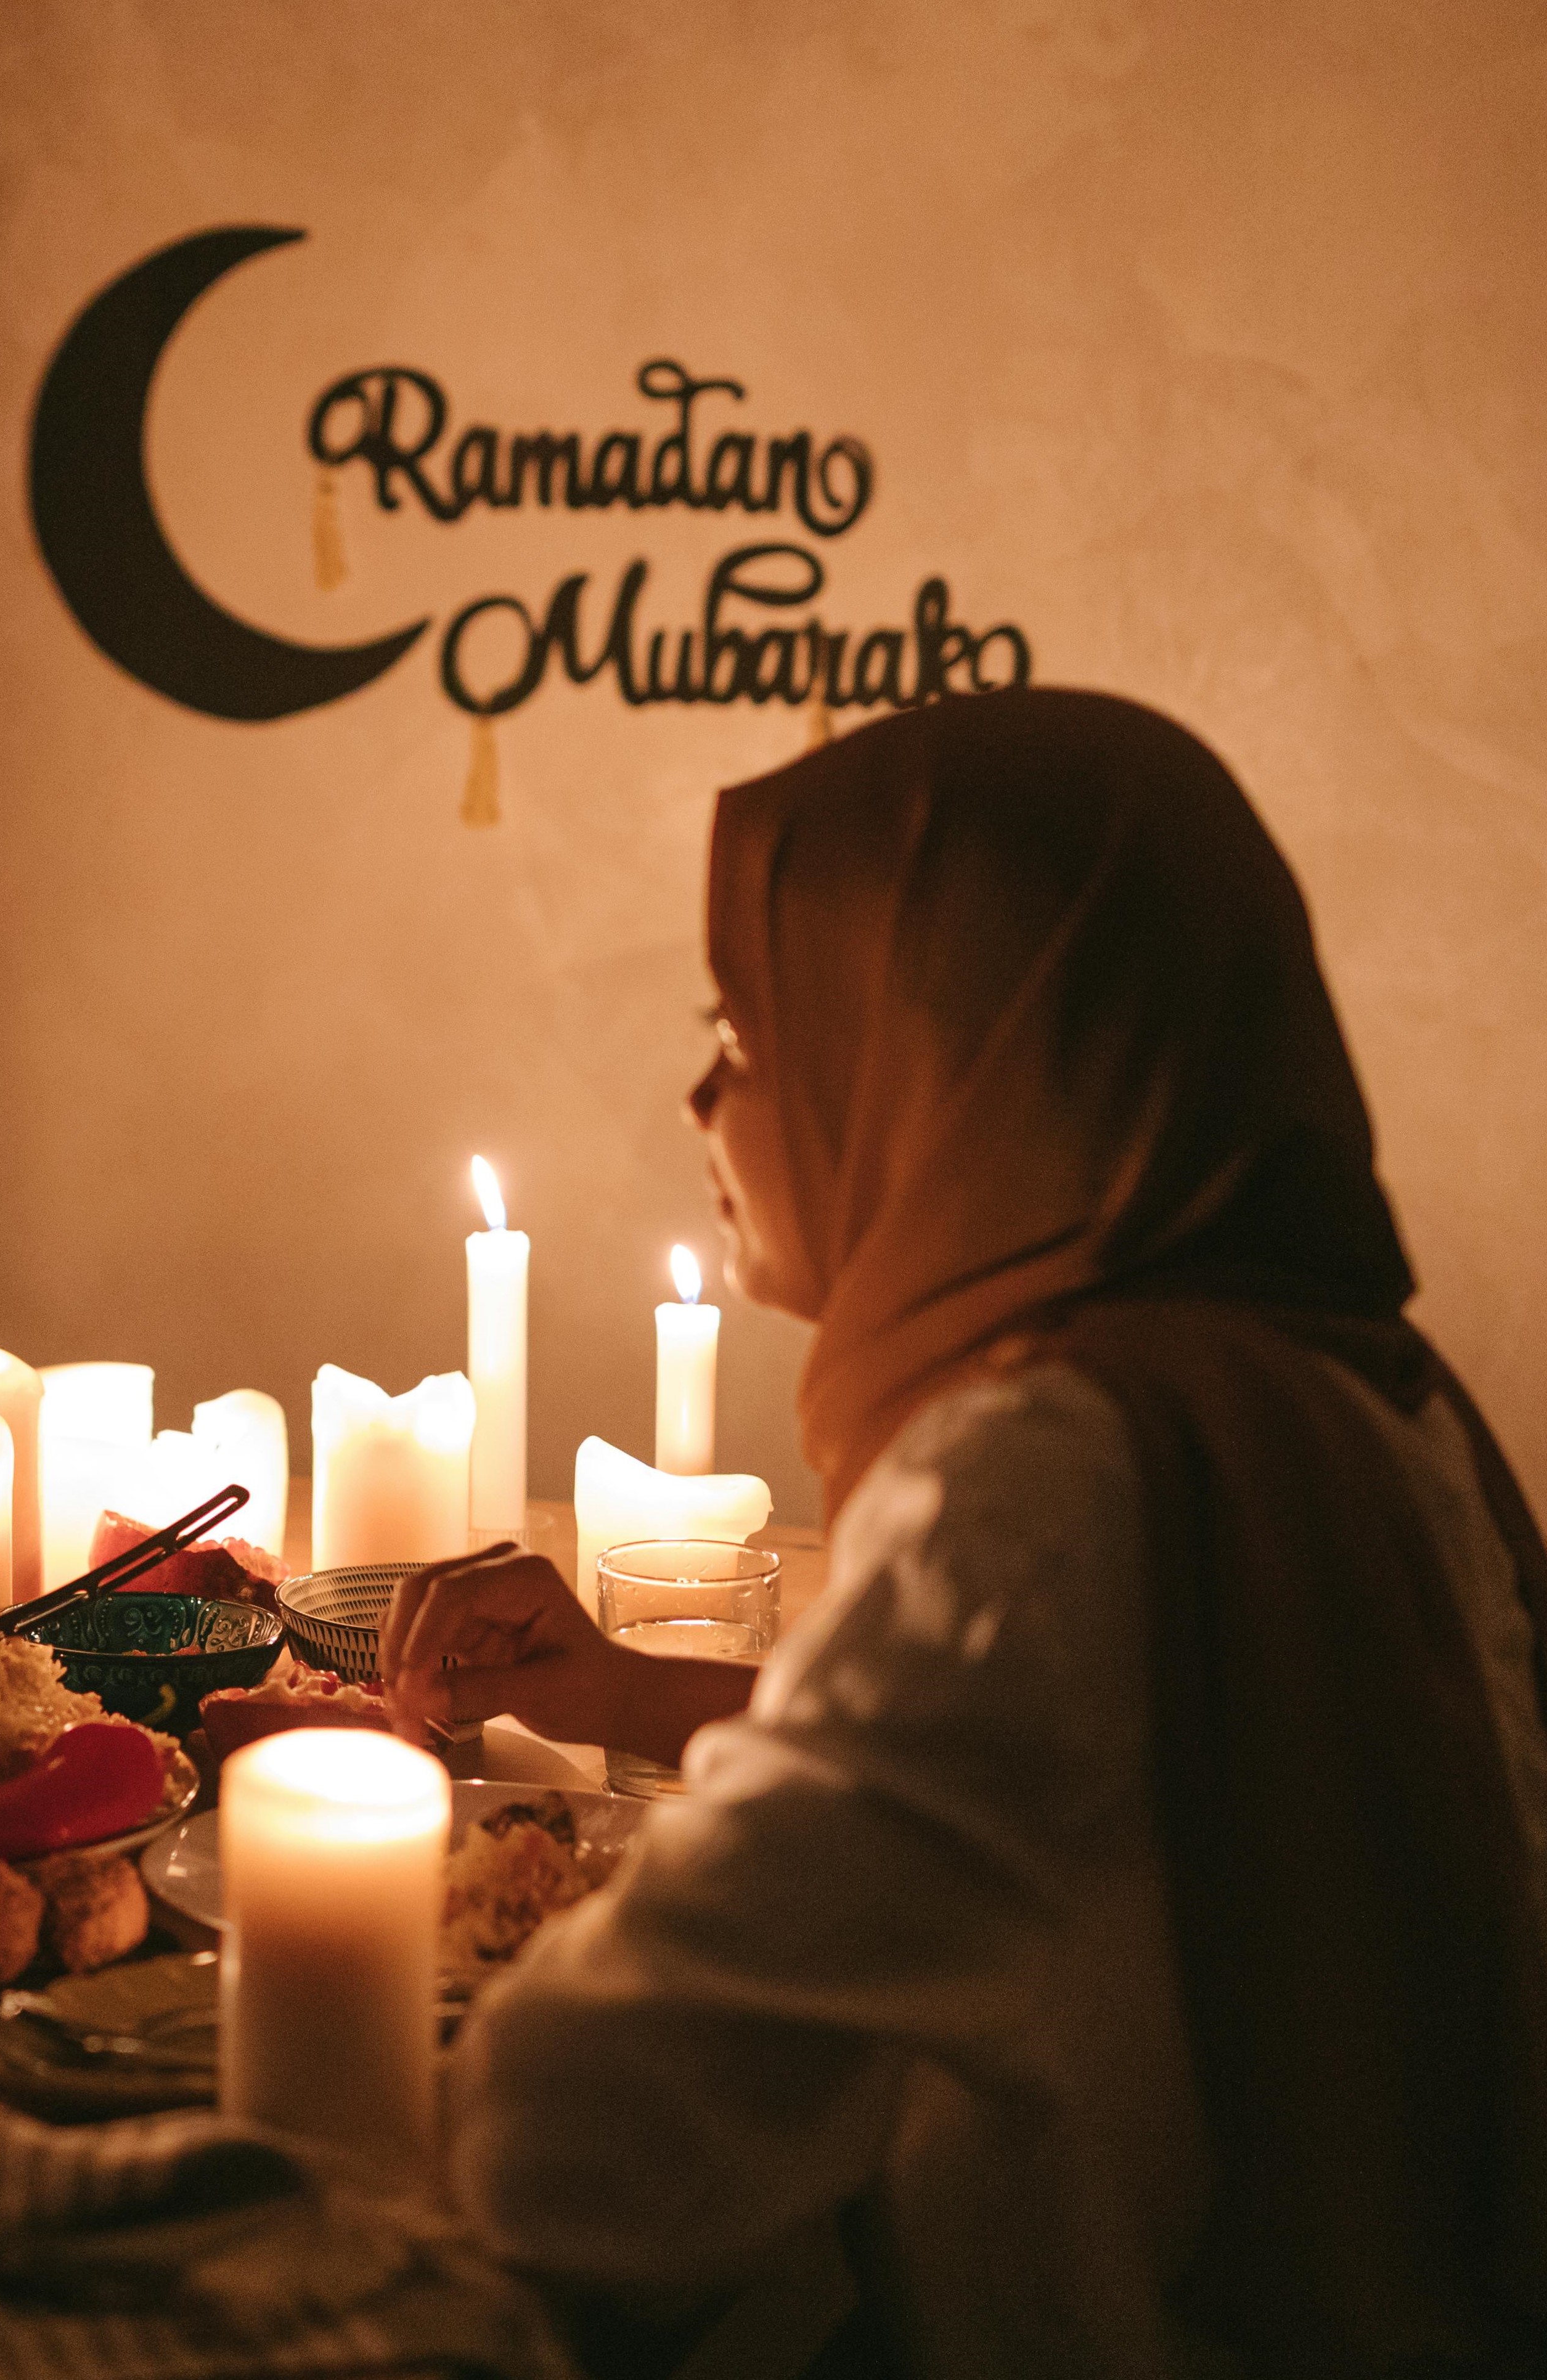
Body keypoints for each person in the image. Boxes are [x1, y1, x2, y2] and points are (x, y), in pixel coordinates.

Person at [389, 689, 1546, 2376]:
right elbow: (1077, 1785)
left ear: (939, 1058)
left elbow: (593, 2143)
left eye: (752, 1033)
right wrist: (632, 1698)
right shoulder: (1350, 1387)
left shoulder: (1053, 1465)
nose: (703, 1101)